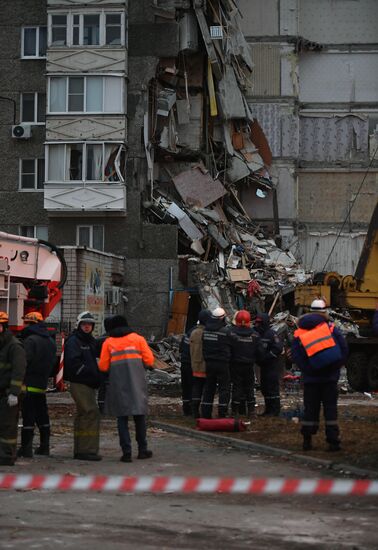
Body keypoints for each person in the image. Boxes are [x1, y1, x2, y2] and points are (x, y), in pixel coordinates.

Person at [291, 299, 348, 452]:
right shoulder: (331, 328)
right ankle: (333, 441)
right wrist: (334, 367)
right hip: (329, 378)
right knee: (330, 409)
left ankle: (307, 441)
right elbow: (343, 349)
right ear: (324, 312)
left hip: (310, 379)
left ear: (309, 311)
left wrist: (308, 369)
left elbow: (296, 356)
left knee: (310, 409)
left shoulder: (299, 331)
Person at [98, 315, 155, 462]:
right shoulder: (138, 339)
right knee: (139, 416)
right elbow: (149, 360)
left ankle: (126, 452)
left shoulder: (109, 342)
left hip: (118, 383)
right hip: (137, 382)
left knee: (121, 417)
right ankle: (142, 450)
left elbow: (103, 366)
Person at [17, 311, 57, 457]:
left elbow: (23, 362)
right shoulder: (50, 341)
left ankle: (26, 448)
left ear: (30, 323)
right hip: (41, 385)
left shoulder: (30, 341)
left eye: (25, 322)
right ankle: (44, 446)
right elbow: (53, 363)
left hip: (29, 384)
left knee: (28, 416)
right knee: (42, 416)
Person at [64, 311, 102, 461]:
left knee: (83, 414)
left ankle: (81, 449)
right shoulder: (74, 341)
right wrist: (90, 374)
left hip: (88, 383)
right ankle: (87, 450)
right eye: (84, 324)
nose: (87, 327)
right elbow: (73, 363)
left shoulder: (90, 341)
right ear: (79, 325)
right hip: (80, 382)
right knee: (90, 413)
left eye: (89, 325)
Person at [0, 311, 26, 466]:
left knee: (7, 426)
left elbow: (19, 371)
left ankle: (7, 456)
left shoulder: (14, 346)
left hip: (8, 394)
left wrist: (14, 393)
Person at [229, 310, 260, 418]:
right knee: (250, 388)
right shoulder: (255, 335)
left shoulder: (231, 334)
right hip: (249, 365)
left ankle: (234, 411)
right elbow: (258, 351)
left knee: (236, 387)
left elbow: (228, 350)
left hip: (235, 365)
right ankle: (251, 411)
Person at [201, 307, 231, 419]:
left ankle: (205, 413)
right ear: (222, 318)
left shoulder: (206, 331)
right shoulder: (225, 332)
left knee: (209, 387)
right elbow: (231, 346)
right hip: (222, 364)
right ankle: (222, 412)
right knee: (224, 388)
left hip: (209, 363)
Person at [254, 313, 283, 416]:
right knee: (265, 388)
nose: (257, 325)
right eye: (256, 323)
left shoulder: (272, 334)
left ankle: (274, 410)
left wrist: (267, 357)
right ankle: (268, 409)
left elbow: (278, 348)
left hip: (272, 366)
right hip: (263, 366)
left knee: (272, 388)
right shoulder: (257, 334)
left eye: (259, 323)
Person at [189, 309, 211, 418]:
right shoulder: (206, 333)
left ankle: (194, 411)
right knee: (207, 390)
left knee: (196, 388)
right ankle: (205, 413)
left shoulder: (193, 333)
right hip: (205, 366)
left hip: (195, 365)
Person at [179, 322, 196, 416]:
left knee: (185, 387)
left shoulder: (188, 332)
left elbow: (181, 348)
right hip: (191, 364)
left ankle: (186, 409)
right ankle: (191, 410)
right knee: (193, 386)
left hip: (184, 362)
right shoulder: (198, 334)